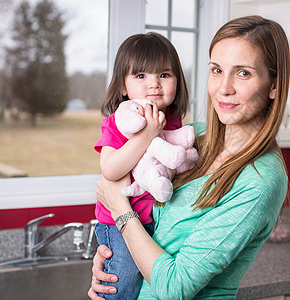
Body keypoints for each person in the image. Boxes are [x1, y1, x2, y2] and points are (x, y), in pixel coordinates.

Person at [89, 15, 290, 300]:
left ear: (274, 86)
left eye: (243, 73)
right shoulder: (193, 136)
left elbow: (175, 288)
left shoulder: (260, 180)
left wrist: (121, 211)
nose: (224, 87)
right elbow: (147, 222)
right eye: (217, 70)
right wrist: (113, 262)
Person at [93, 32, 189, 300]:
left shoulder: (173, 121)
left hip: (155, 220)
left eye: (165, 75)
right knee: (121, 286)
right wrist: (147, 135)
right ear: (123, 86)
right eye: (141, 76)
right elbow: (110, 171)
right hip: (118, 223)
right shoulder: (119, 122)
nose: (154, 84)